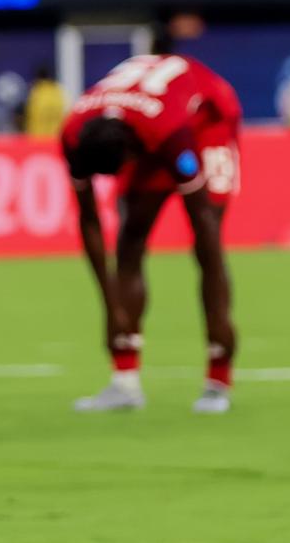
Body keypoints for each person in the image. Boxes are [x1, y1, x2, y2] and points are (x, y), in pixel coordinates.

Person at [61, 47, 243, 415]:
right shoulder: (73, 134)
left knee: (206, 246)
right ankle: (124, 383)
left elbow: (203, 225)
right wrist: (110, 308)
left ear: (131, 152)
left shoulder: (170, 135)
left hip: (207, 122)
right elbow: (89, 219)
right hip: (141, 119)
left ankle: (217, 378)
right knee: (130, 238)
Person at [23, 66, 65, 138]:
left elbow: (29, 116)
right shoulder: (57, 92)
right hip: (55, 139)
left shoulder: (36, 92)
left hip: (38, 139)